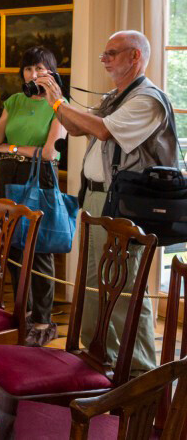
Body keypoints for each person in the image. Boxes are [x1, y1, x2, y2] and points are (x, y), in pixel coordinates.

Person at [39, 30, 179, 376]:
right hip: (97, 198)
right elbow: (76, 128)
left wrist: (59, 102)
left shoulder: (148, 99)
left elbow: (101, 131)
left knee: (123, 287)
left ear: (135, 57)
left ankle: (142, 374)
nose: (104, 60)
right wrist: (53, 101)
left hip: (125, 203)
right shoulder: (119, 96)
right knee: (93, 285)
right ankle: (105, 359)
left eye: (111, 53)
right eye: (104, 53)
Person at [0, 46, 68, 346]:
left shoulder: (59, 105)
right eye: (28, 69)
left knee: (40, 250)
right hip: (8, 176)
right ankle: (23, 314)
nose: (33, 74)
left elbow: (49, 152)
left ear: (51, 72)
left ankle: (43, 320)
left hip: (39, 176)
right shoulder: (15, 100)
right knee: (13, 248)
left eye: (40, 69)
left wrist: (13, 149)